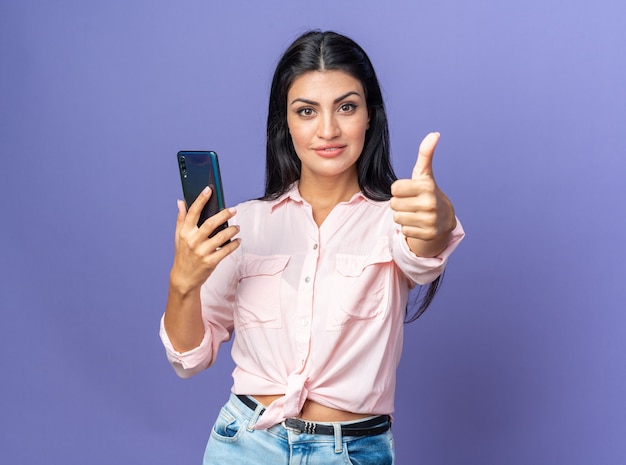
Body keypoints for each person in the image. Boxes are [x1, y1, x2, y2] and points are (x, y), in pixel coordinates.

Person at [160, 30, 464, 465]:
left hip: (351, 452)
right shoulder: (244, 224)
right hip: (244, 445)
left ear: (369, 117)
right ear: (285, 123)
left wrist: (439, 215)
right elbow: (188, 360)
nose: (328, 130)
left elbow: (424, 247)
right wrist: (182, 281)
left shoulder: (394, 219)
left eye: (346, 107)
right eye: (307, 111)